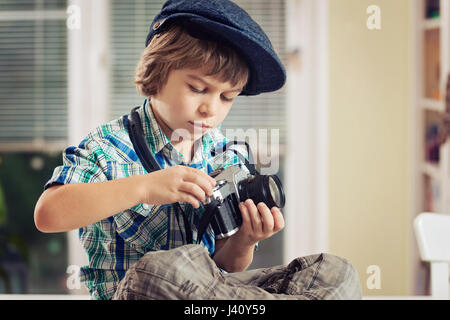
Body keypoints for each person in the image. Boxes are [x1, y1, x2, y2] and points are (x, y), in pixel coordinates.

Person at [34, 0, 362, 300]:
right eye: (198, 88)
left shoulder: (227, 156)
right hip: (142, 293)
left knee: (335, 275)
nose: (211, 109)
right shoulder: (109, 148)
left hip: (208, 296)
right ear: (157, 72)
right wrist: (144, 187)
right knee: (164, 271)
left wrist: (245, 239)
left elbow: (228, 265)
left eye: (226, 97)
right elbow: (48, 214)